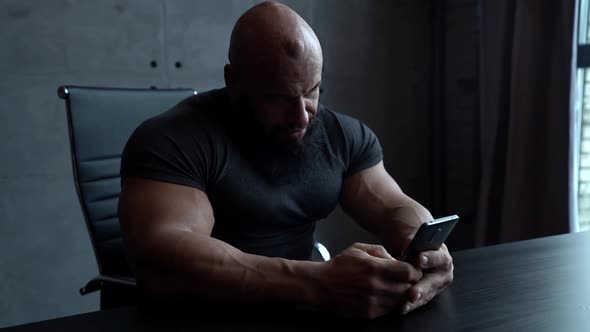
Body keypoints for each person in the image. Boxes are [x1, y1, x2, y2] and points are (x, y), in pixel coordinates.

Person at [118, 1, 453, 319]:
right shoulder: (172, 140)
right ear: (233, 82)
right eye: (278, 98)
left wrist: (422, 245)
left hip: (303, 311)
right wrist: (318, 282)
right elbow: (164, 257)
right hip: (203, 316)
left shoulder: (342, 136)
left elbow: (394, 205)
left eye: (311, 92)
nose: (301, 117)